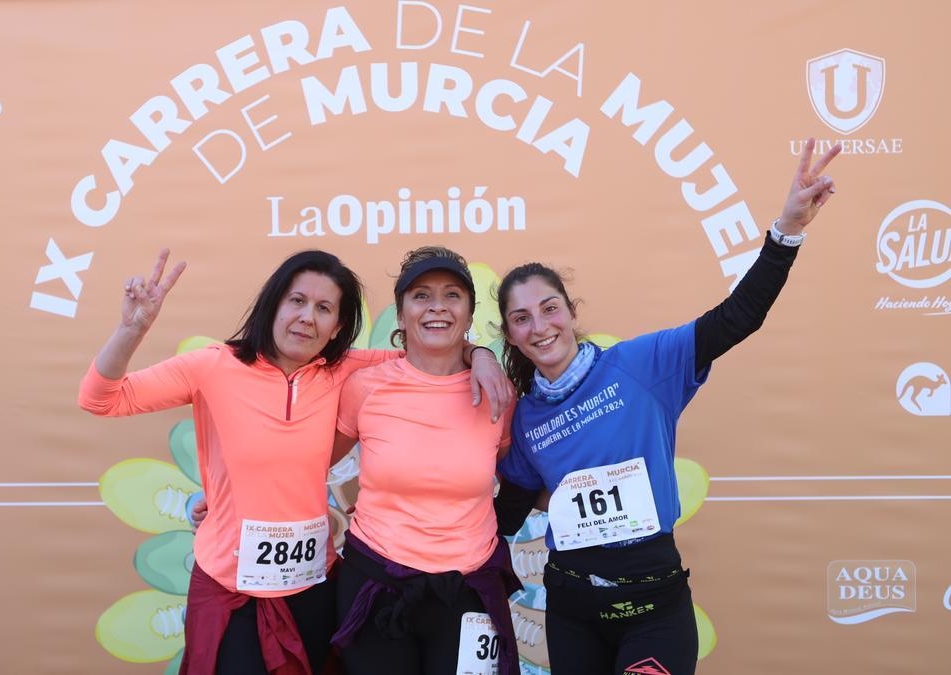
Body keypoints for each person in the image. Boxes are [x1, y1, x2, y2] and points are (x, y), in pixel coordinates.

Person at [493, 139, 840, 675]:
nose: (540, 327)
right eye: (521, 319)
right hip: (572, 608)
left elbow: (738, 316)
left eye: (549, 308)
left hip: (652, 605)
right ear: (510, 336)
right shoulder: (527, 415)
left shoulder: (642, 364)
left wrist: (787, 230)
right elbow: (507, 509)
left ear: (570, 312)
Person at [78, 248, 511, 675]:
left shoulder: (343, 370)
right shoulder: (213, 365)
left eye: (324, 308)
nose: (307, 317)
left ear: (337, 326)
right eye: (297, 301)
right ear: (273, 305)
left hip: (313, 584)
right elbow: (101, 398)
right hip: (233, 588)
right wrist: (131, 329)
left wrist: (481, 355)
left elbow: (428, 352)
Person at [330, 246, 521, 675]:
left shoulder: (499, 393)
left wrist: (481, 355)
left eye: (452, 295)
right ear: (400, 316)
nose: (437, 306)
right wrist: (237, 500)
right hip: (376, 582)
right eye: (421, 295)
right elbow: (313, 462)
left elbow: (517, 472)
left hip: (468, 587)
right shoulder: (365, 387)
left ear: (469, 315)